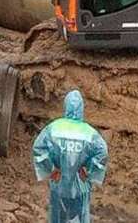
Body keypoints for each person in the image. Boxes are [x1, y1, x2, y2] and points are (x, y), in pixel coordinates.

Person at [32, 89, 109, 223]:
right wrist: (89, 171)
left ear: (65, 106)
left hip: (59, 182)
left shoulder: (53, 128)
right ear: (82, 108)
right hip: (80, 185)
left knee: (57, 216)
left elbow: (38, 147)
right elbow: (102, 152)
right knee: (80, 217)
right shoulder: (90, 133)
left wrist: (51, 169)